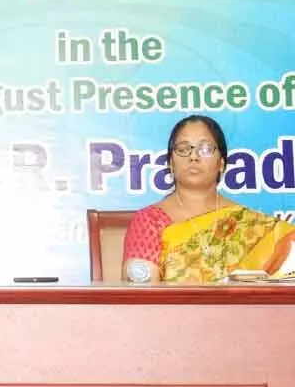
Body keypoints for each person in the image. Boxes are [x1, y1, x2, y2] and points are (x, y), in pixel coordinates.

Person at [122, 115, 295, 283]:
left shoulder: (250, 225)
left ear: (221, 163)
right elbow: (142, 298)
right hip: (172, 312)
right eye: (183, 149)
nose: (193, 156)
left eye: (205, 149)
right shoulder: (150, 221)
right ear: (171, 164)